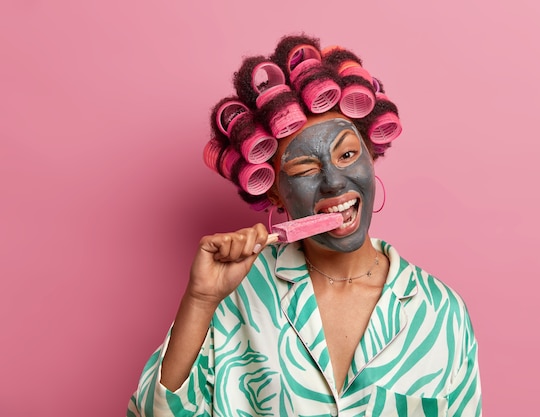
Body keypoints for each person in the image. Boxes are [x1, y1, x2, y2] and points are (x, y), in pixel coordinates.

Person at [128, 34, 482, 417]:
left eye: (347, 154)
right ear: (275, 192)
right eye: (304, 167)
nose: (333, 182)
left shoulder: (441, 312)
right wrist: (199, 301)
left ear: (371, 159)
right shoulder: (237, 294)